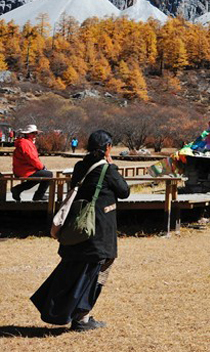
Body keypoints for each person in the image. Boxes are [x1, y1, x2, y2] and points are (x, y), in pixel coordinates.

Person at [31, 130, 130, 331]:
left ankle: (74, 314)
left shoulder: (80, 166)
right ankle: (81, 318)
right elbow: (124, 191)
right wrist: (112, 165)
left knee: (75, 271)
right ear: (108, 148)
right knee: (96, 271)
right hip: (99, 231)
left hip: (78, 227)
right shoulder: (107, 170)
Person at [11, 124, 52, 202]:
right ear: (27, 134)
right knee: (48, 175)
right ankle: (39, 195)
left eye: (36, 133)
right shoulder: (25, 143)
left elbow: (32, 158)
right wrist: (42, 167)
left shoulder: (25, 142)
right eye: (33, 133)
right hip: (24, 170)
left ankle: (18, 189)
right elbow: (32, 158)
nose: (35, 135)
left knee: (39, 177)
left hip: (24, 169)